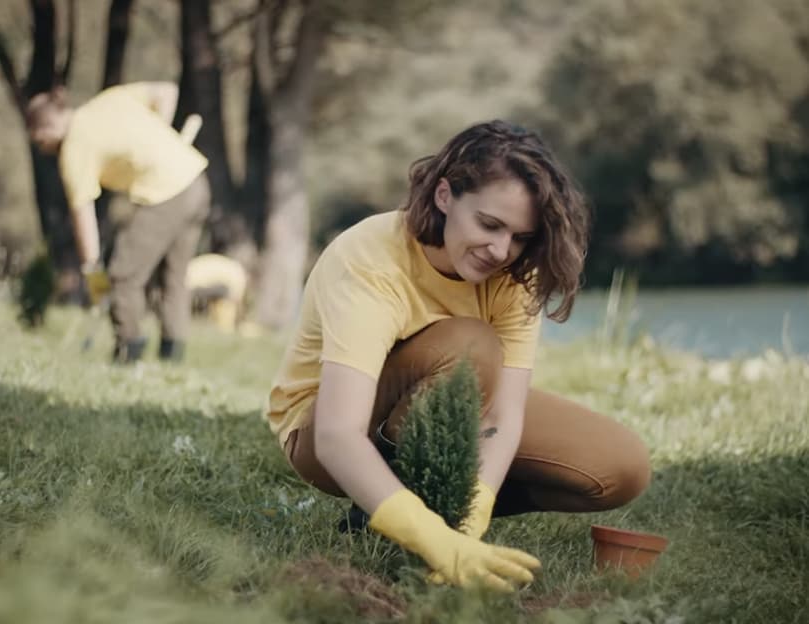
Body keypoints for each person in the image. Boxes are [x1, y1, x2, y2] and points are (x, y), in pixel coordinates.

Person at [265, 121, 651, 591]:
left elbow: (505, 416)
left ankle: (435, 509)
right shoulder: (371, 260)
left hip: (450, 397)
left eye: (520, 236)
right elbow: (336, 435)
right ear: (445, 196)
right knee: (471, 346)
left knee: (619, 466)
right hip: (322, 428)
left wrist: (475, 510)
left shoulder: (513, 274)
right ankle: (396, 512)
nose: (501, 250)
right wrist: (429, 538)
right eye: (489, 224)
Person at [27, 83, 210, 363]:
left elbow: (83, 214)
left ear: (46, 130)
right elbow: (166, 92)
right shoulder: (106, 101)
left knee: (123, 276)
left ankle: (128, 352)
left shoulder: (74, 147)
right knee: (173, 278)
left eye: (40, 143)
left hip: (167, 191)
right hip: (196, 181)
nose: (44, 149)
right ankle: (172, 359)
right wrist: (161, 135)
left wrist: (93, 271)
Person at [186, 253, 248, 333]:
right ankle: (226, 326)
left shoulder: (229, 266)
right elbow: (236, 298)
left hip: (192, 277)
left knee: (221, 296)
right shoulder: (238, 275)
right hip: (194, 282)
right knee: (227, 298)